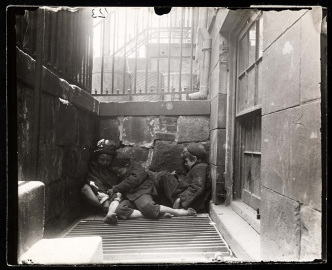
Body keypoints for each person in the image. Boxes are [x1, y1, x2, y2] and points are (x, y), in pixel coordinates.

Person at [109, 153, 197, 220]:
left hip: (141, 192)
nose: (118, 175)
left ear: (126, 166)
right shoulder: (120, 177)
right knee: (120, 211)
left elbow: (135, 179)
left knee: (148, 207)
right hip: (130, 197)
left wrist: (116, 188)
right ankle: (158, 214)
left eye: (119, 171)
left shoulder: (136, 167)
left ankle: (178, 211)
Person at [153, 142, 211, 213]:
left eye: (186, 161)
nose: (185, 164)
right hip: (187, 201)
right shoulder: (200, 167)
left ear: (194, 159)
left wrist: (180, 199)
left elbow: (197, 188)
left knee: (163, 176)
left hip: (186, 204)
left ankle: (150, 203)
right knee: (164, 176)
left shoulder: (200, 167)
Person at [81, 139, 123, 224]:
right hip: (99, 195)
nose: (105, 162)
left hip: (111, 195)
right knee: (85, 188)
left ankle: (110, 211)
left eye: (108, 160)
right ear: (97, 157)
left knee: (119, 194)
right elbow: (94, 182)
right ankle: (107, 209)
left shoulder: (114, 168)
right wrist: (104, 200)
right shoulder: (94, 166)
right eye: (102, 159)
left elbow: (117, 185)